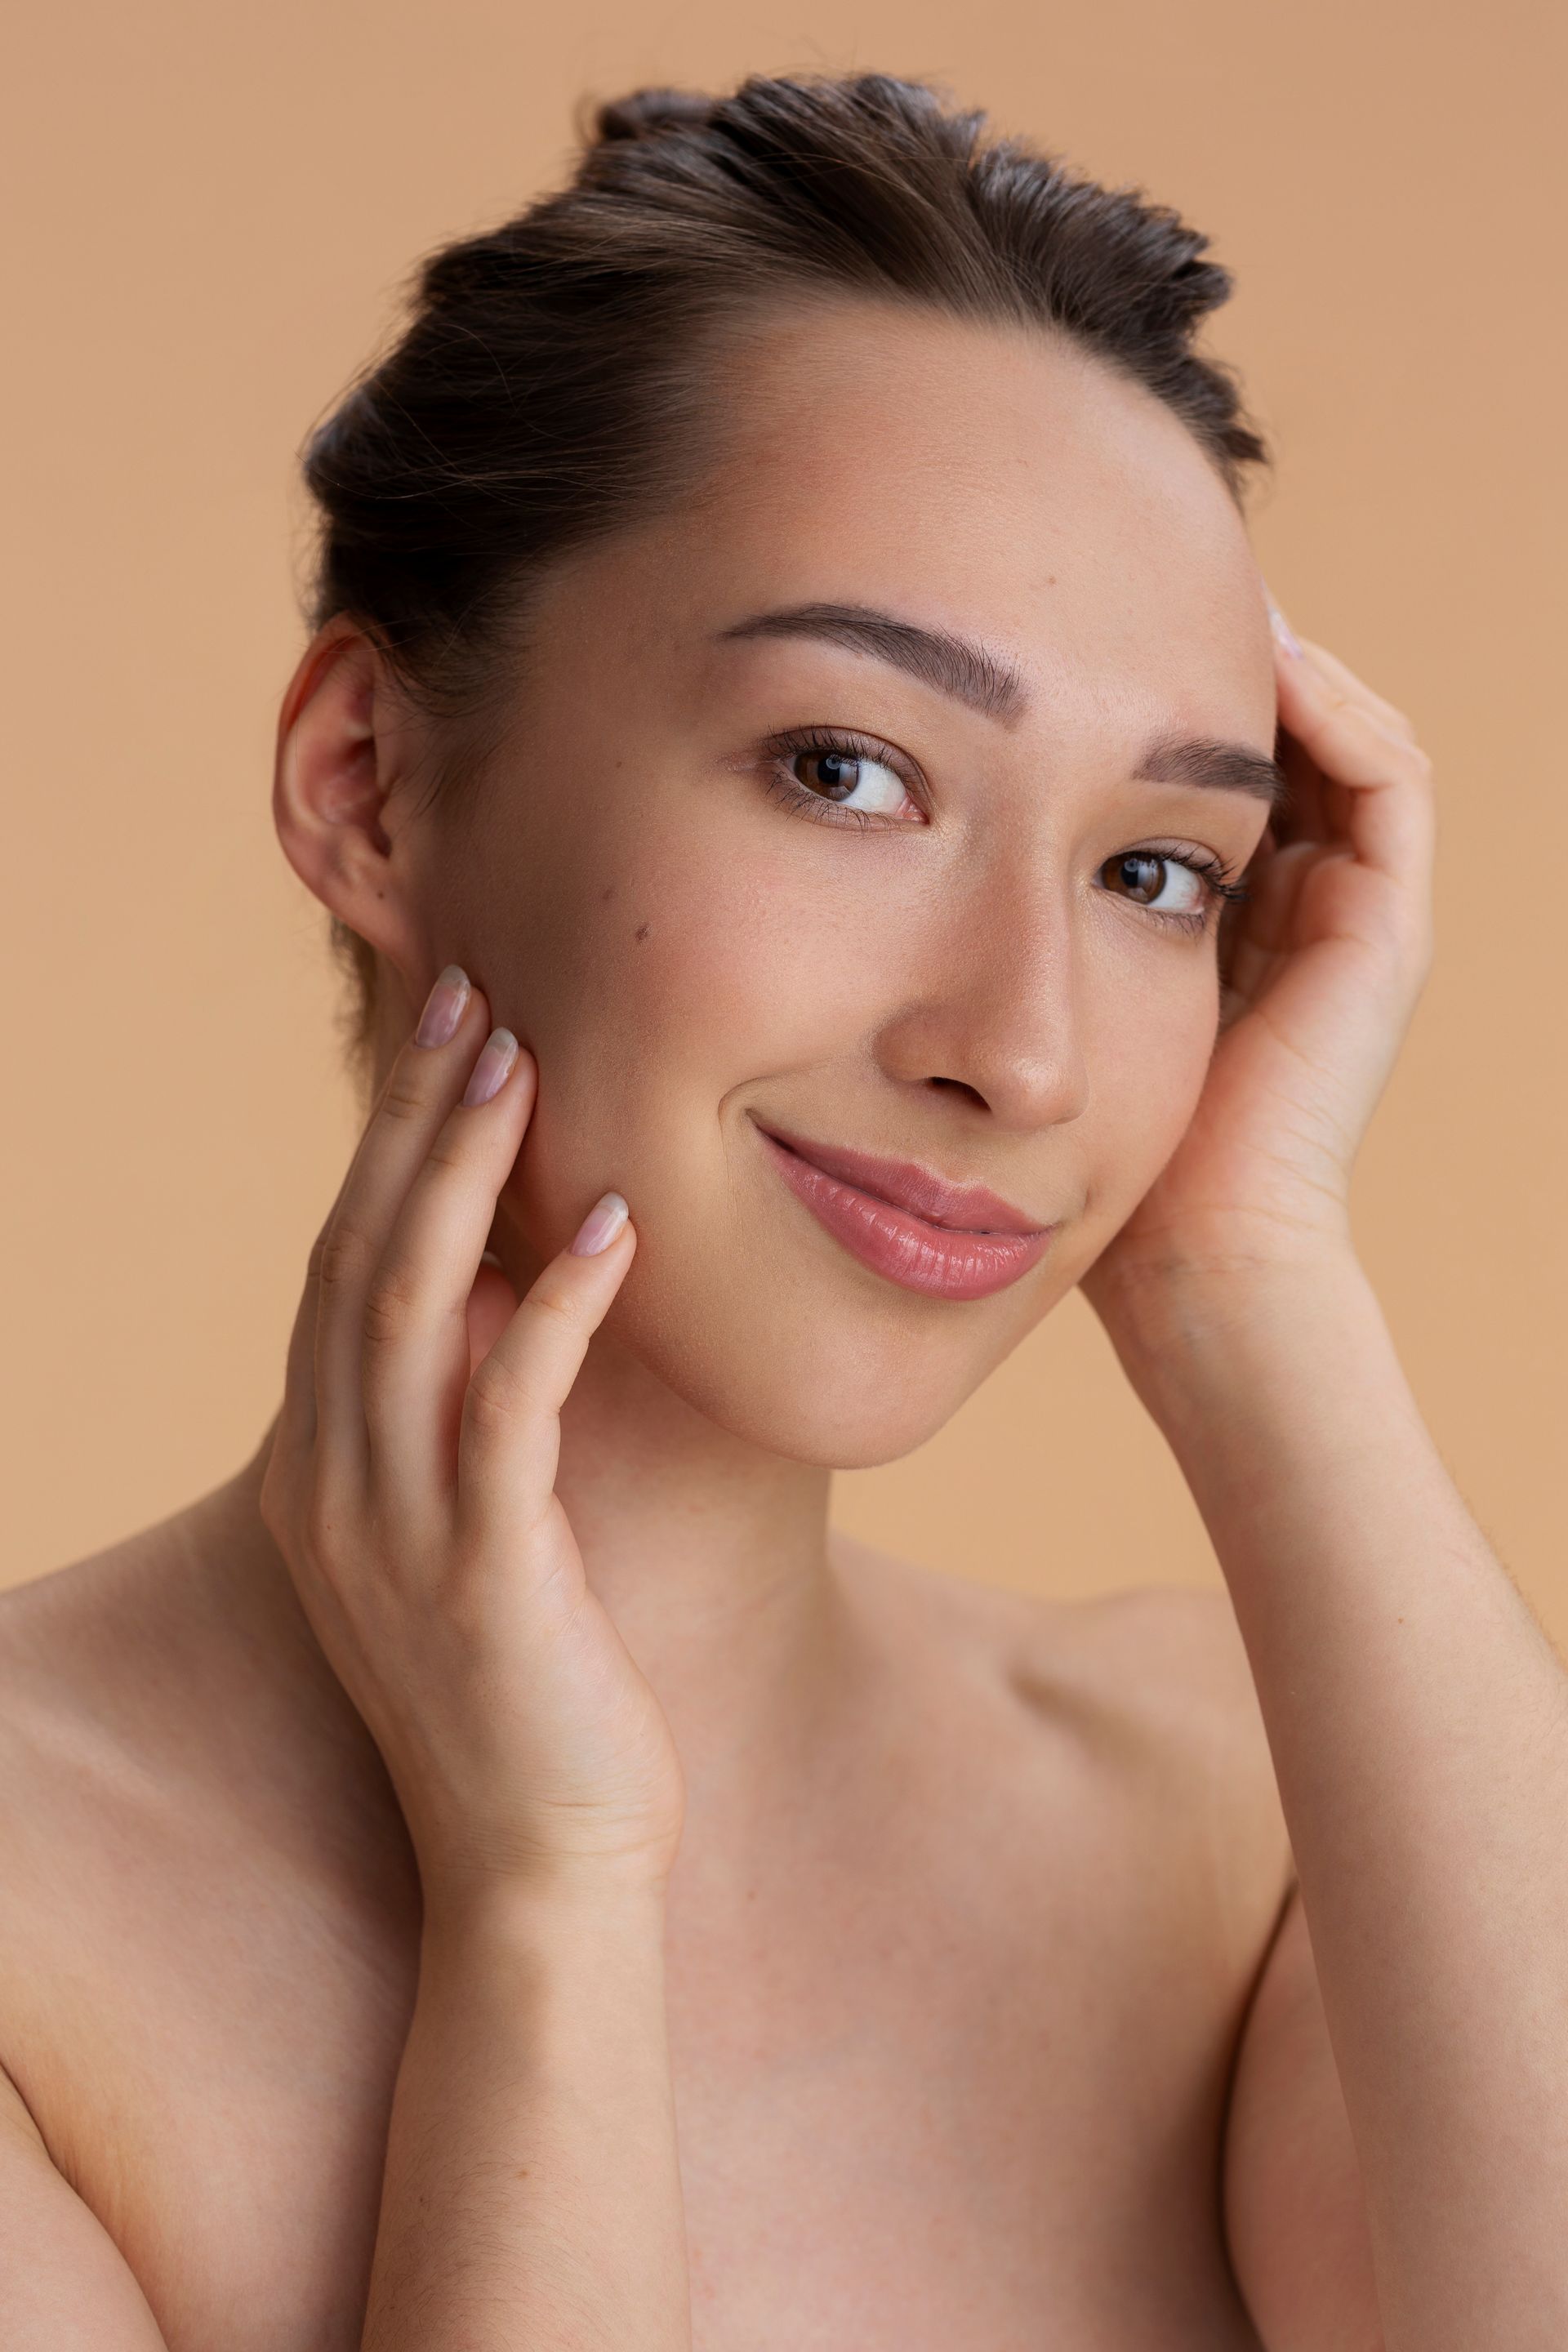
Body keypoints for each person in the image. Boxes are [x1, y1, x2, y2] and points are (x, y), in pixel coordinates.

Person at [1, 67, 1562, 2352]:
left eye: (1155, 871)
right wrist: (548, 1905)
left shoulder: (1261, 1818)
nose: (1021, 1047)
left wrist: (1255, 1274)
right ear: (366, 783)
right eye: (849, 771)